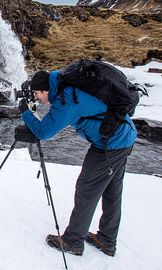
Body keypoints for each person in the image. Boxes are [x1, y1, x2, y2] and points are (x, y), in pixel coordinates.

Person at [16, 69, 136, 257]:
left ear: (47, 90)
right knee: (112, 190)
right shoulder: (67, 88)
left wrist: (25, 112)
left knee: (86, 188)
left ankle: (73, 241)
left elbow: (43, 132)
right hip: (123, 137)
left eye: (38, 94)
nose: (38, 99)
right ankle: (106, 240)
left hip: (109, 144)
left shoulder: (67, 100)